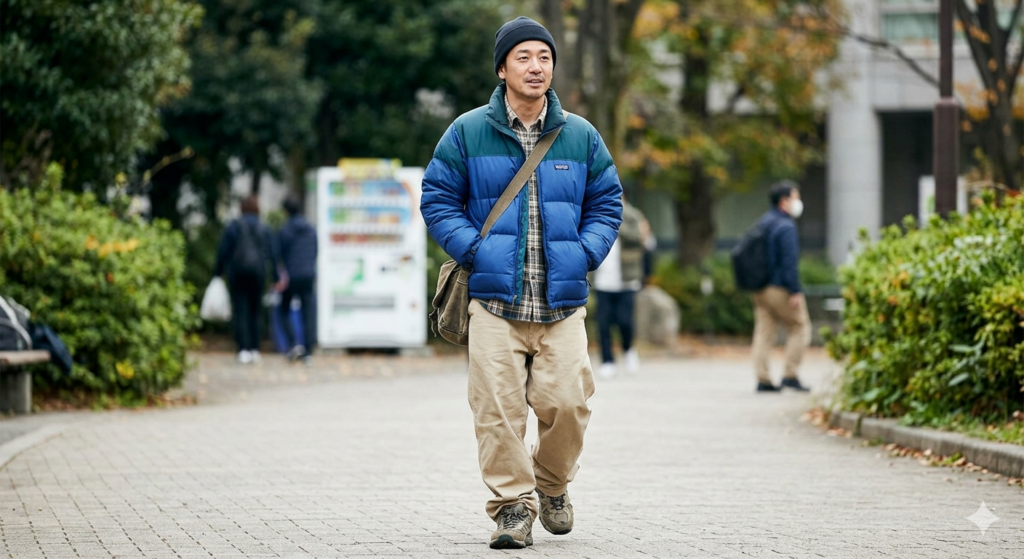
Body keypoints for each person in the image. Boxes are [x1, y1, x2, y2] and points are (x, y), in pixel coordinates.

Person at [419, 16, 622, 550]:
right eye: (524, 57)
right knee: (498, 414)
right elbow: (437, 198)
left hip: (562, 303)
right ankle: (512, 508)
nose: (536, 67)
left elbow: (607, 201)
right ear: (502, 69)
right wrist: (475, 249)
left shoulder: (580, 135)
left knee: (570, 404)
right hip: (493, 301)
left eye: (545, 57)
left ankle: (551, 485)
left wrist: (585, 253)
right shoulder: (466, 131)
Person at [751, 180, 811, 393]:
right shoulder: (786, 226)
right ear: (784, 201)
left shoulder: (764, 222)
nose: (798, 202)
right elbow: (789, 262)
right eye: (795, 197)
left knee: (764, 333)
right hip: (779, 287)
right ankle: (790, 375)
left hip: (760, 287)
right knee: (799, 327)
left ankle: (763, 379)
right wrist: (795, 290)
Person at [213, 194, 280, 364]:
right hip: (258, 274)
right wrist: (276, 277)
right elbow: (272, 254)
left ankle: (243, 349)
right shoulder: (264, 228)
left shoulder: (234, 226)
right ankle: (255, 349)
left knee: (240, 310)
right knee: (255, 311)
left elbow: (223, 251)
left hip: (238, 273)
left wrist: (217, 274)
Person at [591, 196, 653, 378]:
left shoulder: (633, 215)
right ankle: (607, 360)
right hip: (603, 280)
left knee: (625, 320)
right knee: (603, 323)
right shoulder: (596, 212)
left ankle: (628, 349)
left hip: (627, 279)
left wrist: (617, 222)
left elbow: (640, 238)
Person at [276, 195, 318, 363]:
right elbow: (316, 250)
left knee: (283, 309)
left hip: (291, 276)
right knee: (308, 313)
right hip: (308, 274)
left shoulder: (285, 230)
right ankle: (308, 351)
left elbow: (279, 253)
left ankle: (293, 343)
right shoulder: (311, 229)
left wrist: (279, 275)